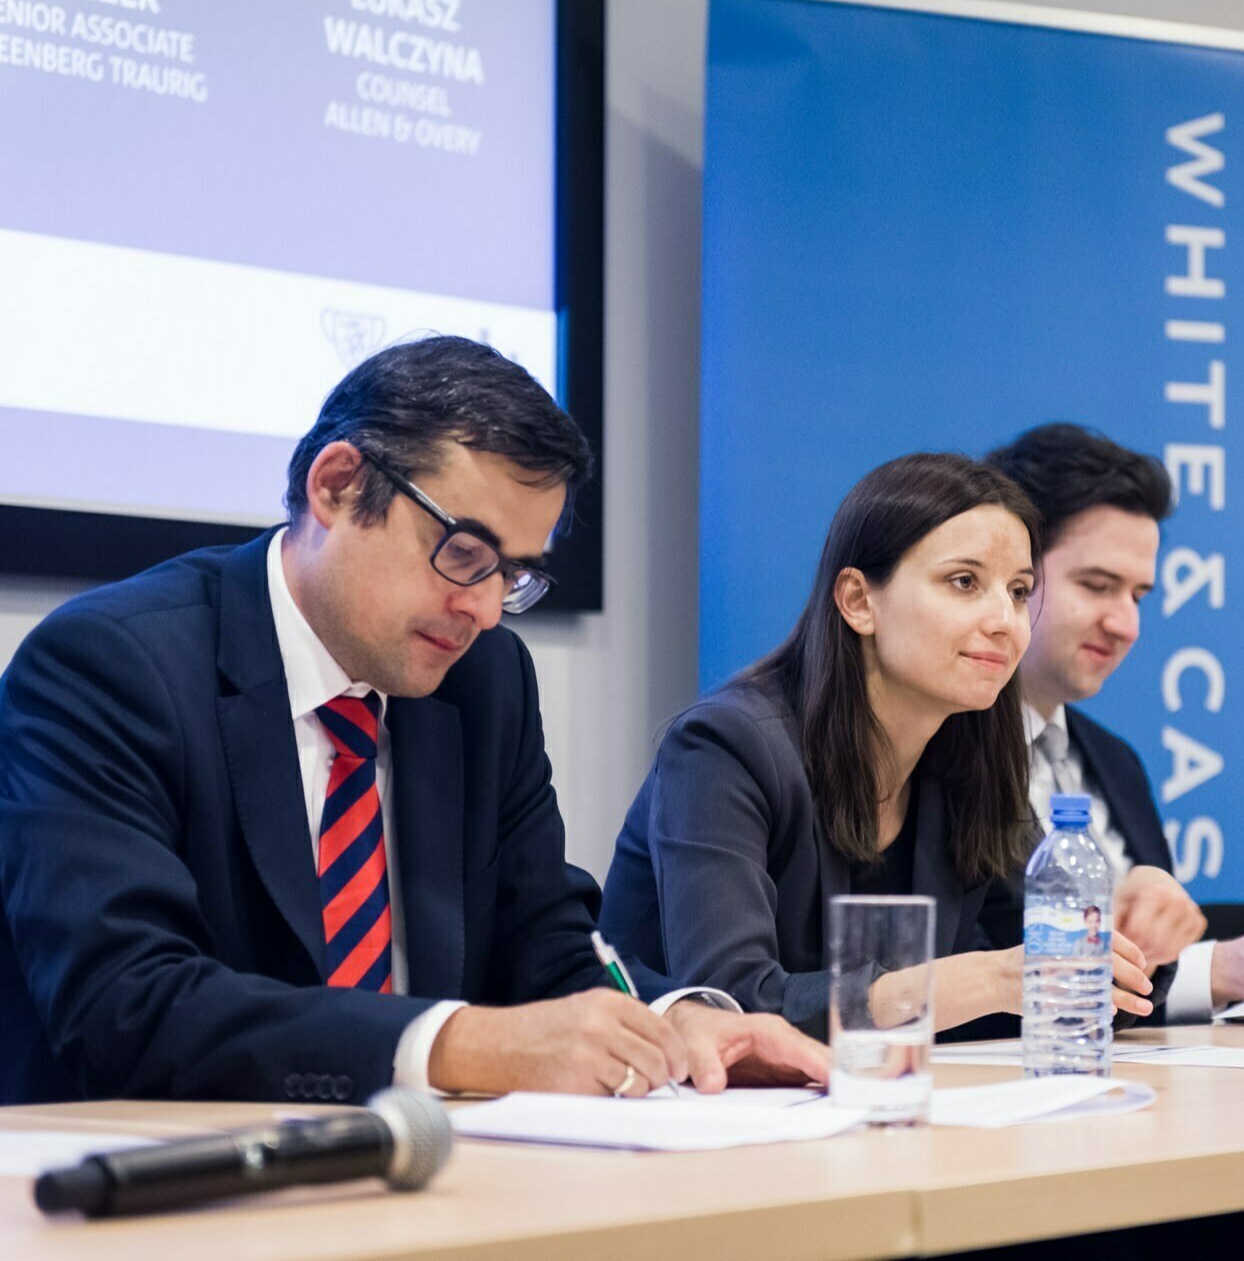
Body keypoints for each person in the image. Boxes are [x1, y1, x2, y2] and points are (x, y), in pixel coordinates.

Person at [0, 336, 827, 1105]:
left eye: (512, 576)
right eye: (464, 553)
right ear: (336, 486)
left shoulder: (485, 682)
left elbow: (544, 942)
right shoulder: (112, 666)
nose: (485, 610)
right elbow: (125, 1004)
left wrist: (672, 1022)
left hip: (426, 1174)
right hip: (158, 1189)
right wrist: (453, 1043)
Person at [599, 452, 1157, 1039]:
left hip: (877, 1107)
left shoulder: (972, 756)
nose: (1005, 621)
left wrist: (1123, 939)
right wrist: (986, 981)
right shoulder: (725, 749)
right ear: (859, 601)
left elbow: (1043, 977)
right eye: (964, 582)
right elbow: (730, 1005)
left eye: (1019, 592)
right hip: (682, 1109)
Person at [982, 423, 1244, 1022]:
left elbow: (1156, 962)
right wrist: (1214, 971)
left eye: (1138, 596)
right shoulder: (933, 746)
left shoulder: (1116, 761)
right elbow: (973, 966)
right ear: (1010, 576)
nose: (1126, 624)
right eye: (1097, 585)